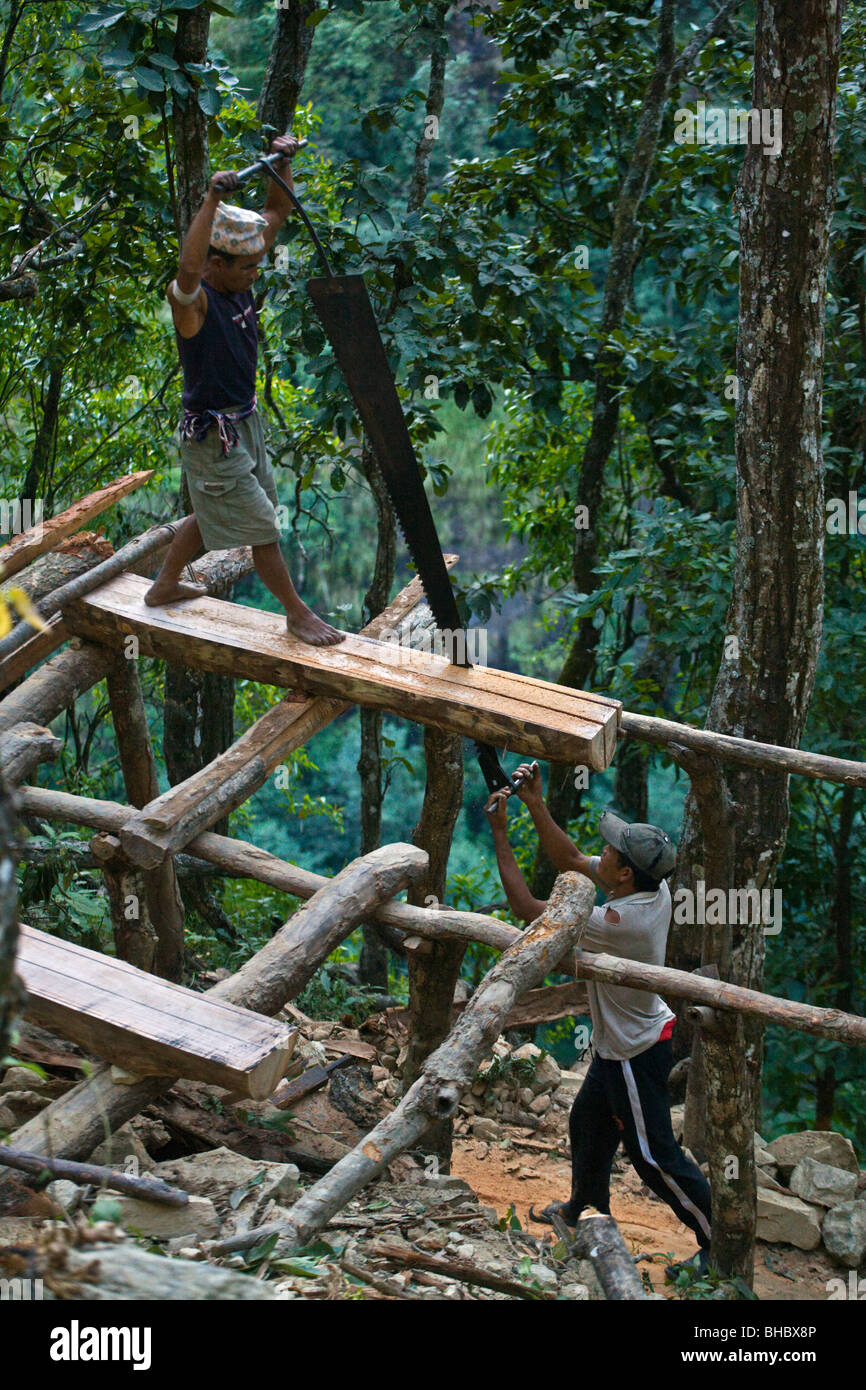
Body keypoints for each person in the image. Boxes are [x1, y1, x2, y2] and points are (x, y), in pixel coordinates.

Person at [485, 762, 713, 1277]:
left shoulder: (616, 923)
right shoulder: (652, 889)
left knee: (654, 1158)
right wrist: (535, 802)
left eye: (609, 850)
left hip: (636, 1049)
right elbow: (567, 858)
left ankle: (717, 1243)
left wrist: (501, 831)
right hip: (622, 1044)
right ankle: (584, 1211)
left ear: (625, 871)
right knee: (587, 1122)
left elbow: (525, 905)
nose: (601, 850)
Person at [146, 134, 344, 647]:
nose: (256, 274)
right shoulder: (196, 304)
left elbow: (277, 209)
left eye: (257, 265)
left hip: (245, 424)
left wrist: (283, 161)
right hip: (213, 435)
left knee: (221, 511)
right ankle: (297, 614)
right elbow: (185, 272)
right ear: (217, 263)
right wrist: (211, 199)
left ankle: (164, 585)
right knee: (262, 529)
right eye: (247, 268)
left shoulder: (238, 271)